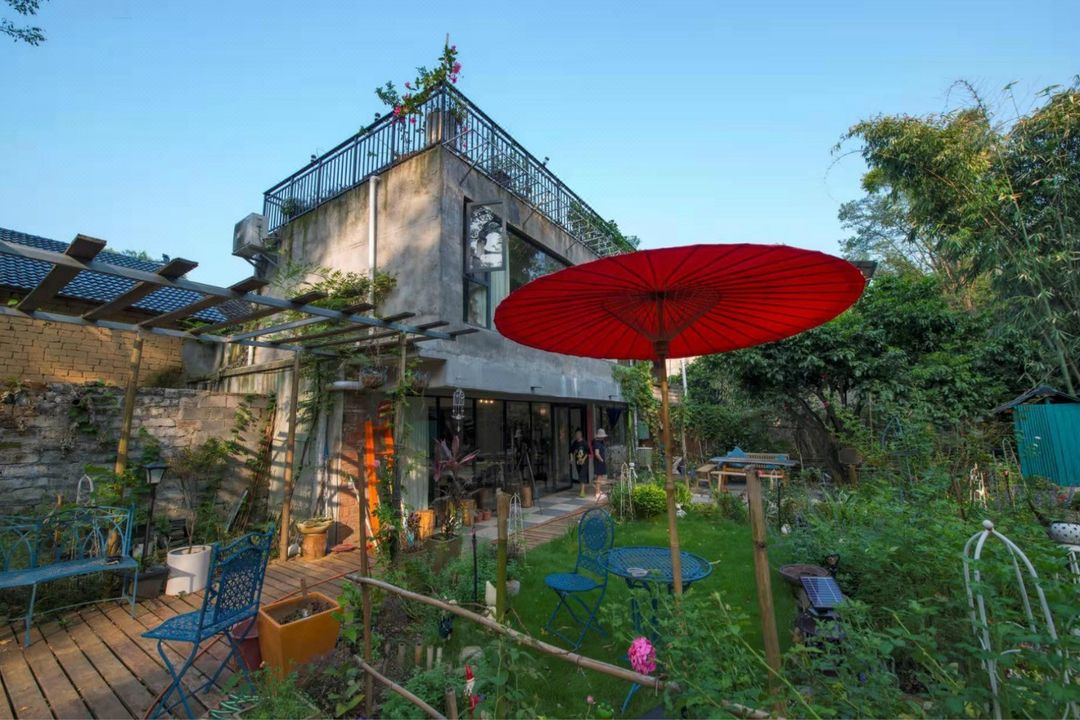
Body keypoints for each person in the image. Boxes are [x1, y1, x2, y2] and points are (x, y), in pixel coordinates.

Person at [592, 428, 608, 501]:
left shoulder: (601, 442)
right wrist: (601, 460)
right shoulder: (597, 443)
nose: (603, 437)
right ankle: (597, 493)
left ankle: (599, 490)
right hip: (599, 462)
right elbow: (596, 454)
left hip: (600, 462)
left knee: (600, 477)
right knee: (599, 477)